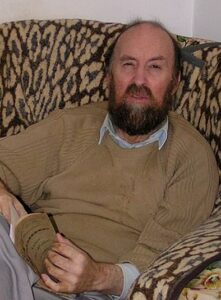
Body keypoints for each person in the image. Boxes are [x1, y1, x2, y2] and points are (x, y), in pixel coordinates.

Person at [0, 20, 219, 300]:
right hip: (18, 263)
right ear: (108, 76)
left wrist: (96, 276)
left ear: (175, 81)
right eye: (128, 64)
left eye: (155, 67)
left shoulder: (191, 158)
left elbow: (159, 259)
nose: (139, 80)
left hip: (89, 294)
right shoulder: (70, 126)